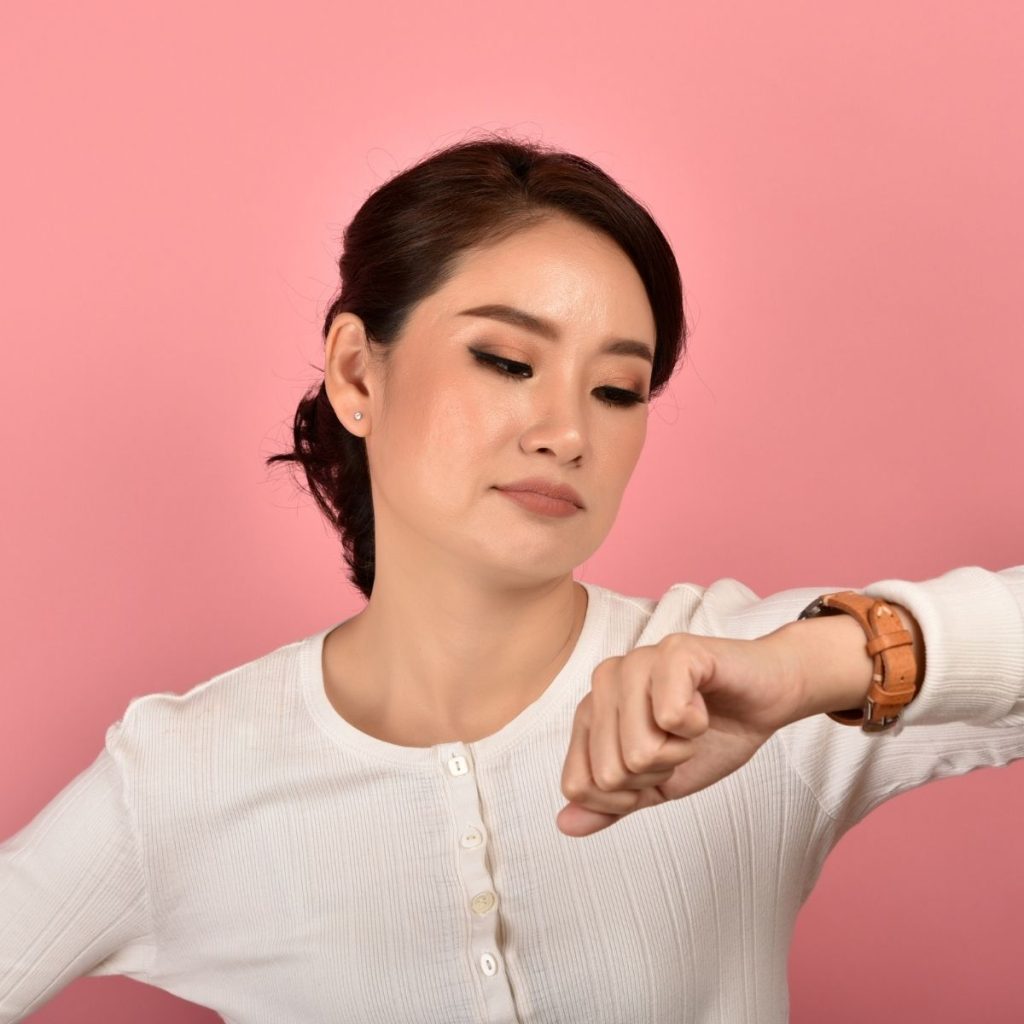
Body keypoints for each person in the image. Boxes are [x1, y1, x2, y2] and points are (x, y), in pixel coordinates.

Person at [1, 133, 1022, 1024]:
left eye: (618, 388)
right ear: (359, 373)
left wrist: (815, 666)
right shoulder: (185, 772)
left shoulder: (738, 681)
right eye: (505, 360)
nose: (568, 432)